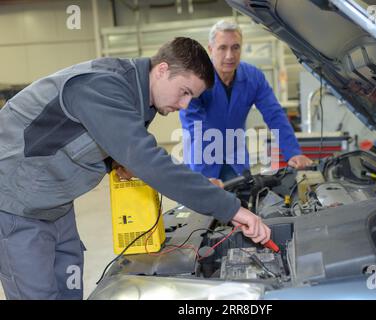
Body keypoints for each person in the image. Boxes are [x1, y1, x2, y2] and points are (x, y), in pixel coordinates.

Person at [0, 37, 271, 300]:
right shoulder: (102, 86)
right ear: (163, 69)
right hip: (16, 205)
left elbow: (72, 137)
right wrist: (230, 208)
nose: (185, 105)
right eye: (185, 92)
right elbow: (150, 161)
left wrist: (113, 161)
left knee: (69, 290)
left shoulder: (141, 100)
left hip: (56, 201)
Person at [180, 20, 313, 182]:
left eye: (235, 47)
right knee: (200, 205)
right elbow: (195, 127)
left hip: (236, 161)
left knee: (245, 201)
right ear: (210, 49)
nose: (229, 55)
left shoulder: (253, 78)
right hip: (201, 160)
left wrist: (293, 152)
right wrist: (204, 177)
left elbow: (274, 115)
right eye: (222, 48)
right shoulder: (197, 78)